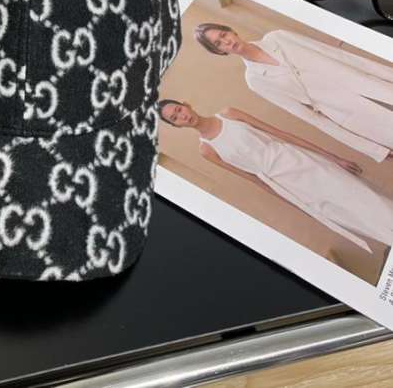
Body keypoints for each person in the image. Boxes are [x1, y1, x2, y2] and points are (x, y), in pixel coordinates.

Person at [158, 100, 393, 253]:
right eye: (174, 119)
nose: (182, 116)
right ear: (176, 126)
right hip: (285, 184)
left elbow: (281, 134)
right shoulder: (206, 150)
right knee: (346, 215)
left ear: (186, 105)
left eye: (178, 110)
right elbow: (253, 179)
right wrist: (296, 204)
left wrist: (333, 157)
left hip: (299, 160)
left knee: (361, 195)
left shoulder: (229, 113)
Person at [194, 23, 393, 163]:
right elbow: (309, 117)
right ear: (219, 52)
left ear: (231, 31)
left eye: (223, 35)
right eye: (219, 44)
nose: (226, 42)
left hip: (371, 86)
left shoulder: (278, 37)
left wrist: (388, 74)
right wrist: (374, 150)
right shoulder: (255, 80)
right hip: (355, 116)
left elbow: (338, 55)